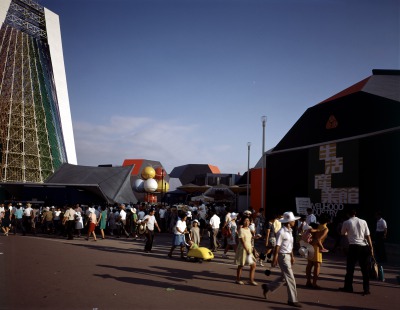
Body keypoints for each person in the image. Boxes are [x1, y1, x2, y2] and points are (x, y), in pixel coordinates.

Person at [262, 211, 302, 308]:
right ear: (288, 222)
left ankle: (267, 287)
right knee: (291, 278)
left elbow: (290, 245)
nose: (294, 222)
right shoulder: (281, 232)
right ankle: (292, 300)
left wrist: (292, 256)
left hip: (288, 255)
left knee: (284, 277)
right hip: (282, 256)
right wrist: (274, 259)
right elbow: (277, 246)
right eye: (293, 221)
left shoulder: (290, 231)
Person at [339, 210, 373, 296]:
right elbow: (368, 235)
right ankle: (366, 289)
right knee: (365, 270)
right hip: (364, 246)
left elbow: (343, 233)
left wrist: (348, 234)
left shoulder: (346, 222)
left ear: (348, 214)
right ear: (355, 214)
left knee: (350, 268)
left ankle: (348, 287)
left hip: (353, 246)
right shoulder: (363, 221)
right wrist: (371, 247)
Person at [305, 215, 329, 289]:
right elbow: (319, 239)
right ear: (327, 221)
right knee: (317, 265)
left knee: (309, 264)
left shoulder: (316, 226)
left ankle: (308, 281)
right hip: (317, 247)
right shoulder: (325, 229)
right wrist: (322, 247)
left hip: (310, 246)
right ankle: (314, 283)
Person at [234, 216, 257, 285]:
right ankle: (238, 279)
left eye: (248, 221)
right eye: (245, 221)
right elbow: (242, 241)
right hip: (243, 249)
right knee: (241, 265)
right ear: (243, 222)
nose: (247, 222)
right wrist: (247, 250)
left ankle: (251, 280)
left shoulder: (249, 229)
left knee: (253, 265)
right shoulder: (241, 230)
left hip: (249, 248)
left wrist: (255, 237)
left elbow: (249, 239)